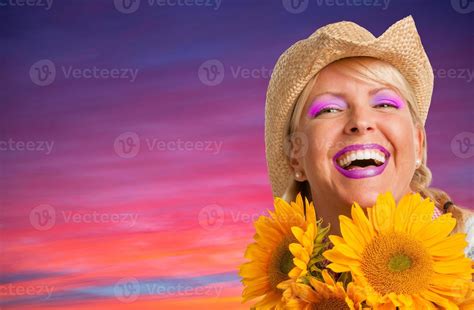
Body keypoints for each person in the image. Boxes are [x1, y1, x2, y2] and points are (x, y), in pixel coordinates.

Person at [264, 15, 473, 257]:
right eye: (330, 109)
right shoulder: (285, 282)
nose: (361, 122)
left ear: (418, 142)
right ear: (295, 157)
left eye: (384, 104)